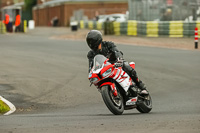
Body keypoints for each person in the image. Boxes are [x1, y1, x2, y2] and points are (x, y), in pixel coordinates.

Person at [86, 30, 148, 95]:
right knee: (98, 80)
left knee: (126, 66)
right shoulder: (91, 54)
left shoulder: (108, 44)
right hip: (105, 69)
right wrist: (91, 74)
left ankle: (142, 87)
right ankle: (109, 93)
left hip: (116, 63)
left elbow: (117, 52)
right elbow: (91, 66)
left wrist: (119, 59)